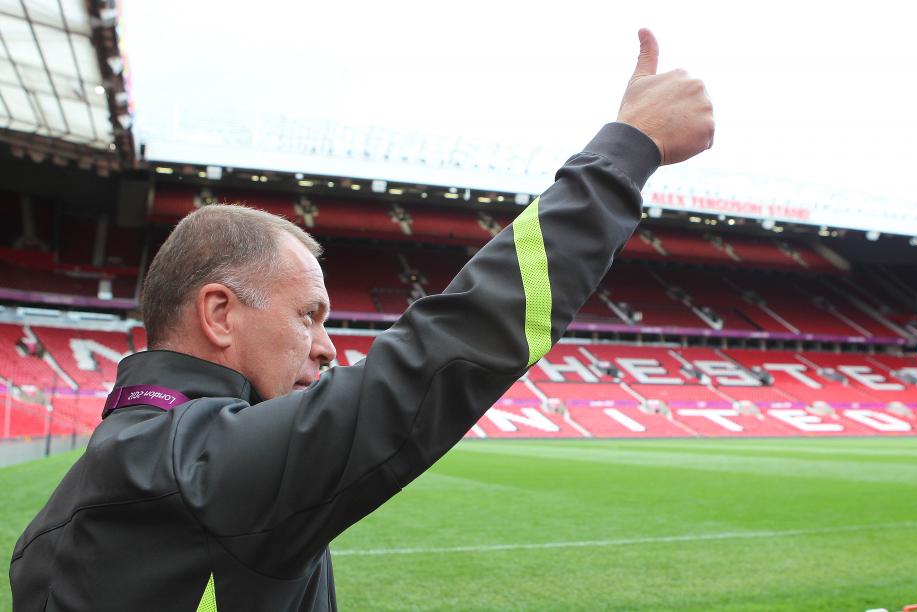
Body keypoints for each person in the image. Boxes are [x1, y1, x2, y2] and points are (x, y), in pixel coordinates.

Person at [10, 28, 713, 611]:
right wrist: (625, 153)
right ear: (219, 315)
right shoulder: (196, 467)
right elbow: (456, 341)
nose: (327, 350)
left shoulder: (108, 477)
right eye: (309, 317)